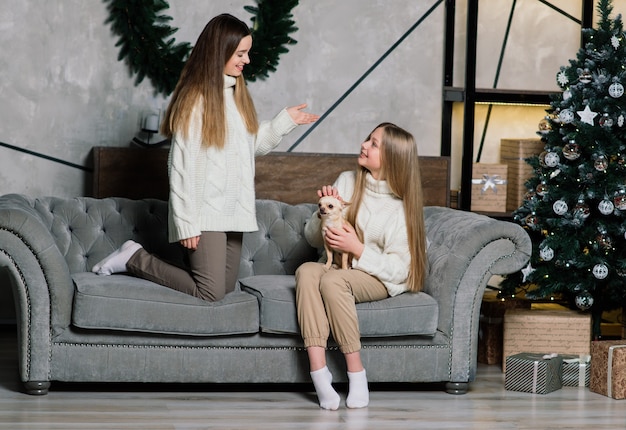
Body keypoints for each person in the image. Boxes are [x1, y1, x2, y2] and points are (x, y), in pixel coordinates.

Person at [92, 13, 319, 302]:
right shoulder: (196, 100)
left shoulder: (236, 95)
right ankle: (134, 258)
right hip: (205, 214)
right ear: (219, 52)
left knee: (223, 288)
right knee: (210, 291)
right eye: (241, 53)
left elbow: (249, 148)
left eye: (247, 53)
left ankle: (139, 258)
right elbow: (181, 166)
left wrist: (283, 122)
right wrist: (186, 222)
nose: (246, 60)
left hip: (233, 212)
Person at [295, 122, 428, 410]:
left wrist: (357, 249)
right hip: (338, 265)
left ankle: (357, 374)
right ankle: (319, 374)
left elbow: (400, 270)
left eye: (374, 143)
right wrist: (323, 215)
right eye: (368, 138)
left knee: (333, 281)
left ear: (392, 157)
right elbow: (311, 238)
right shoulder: (346, 181)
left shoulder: (401, 207)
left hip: (376, 276)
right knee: (306, 271)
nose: (364, 144)